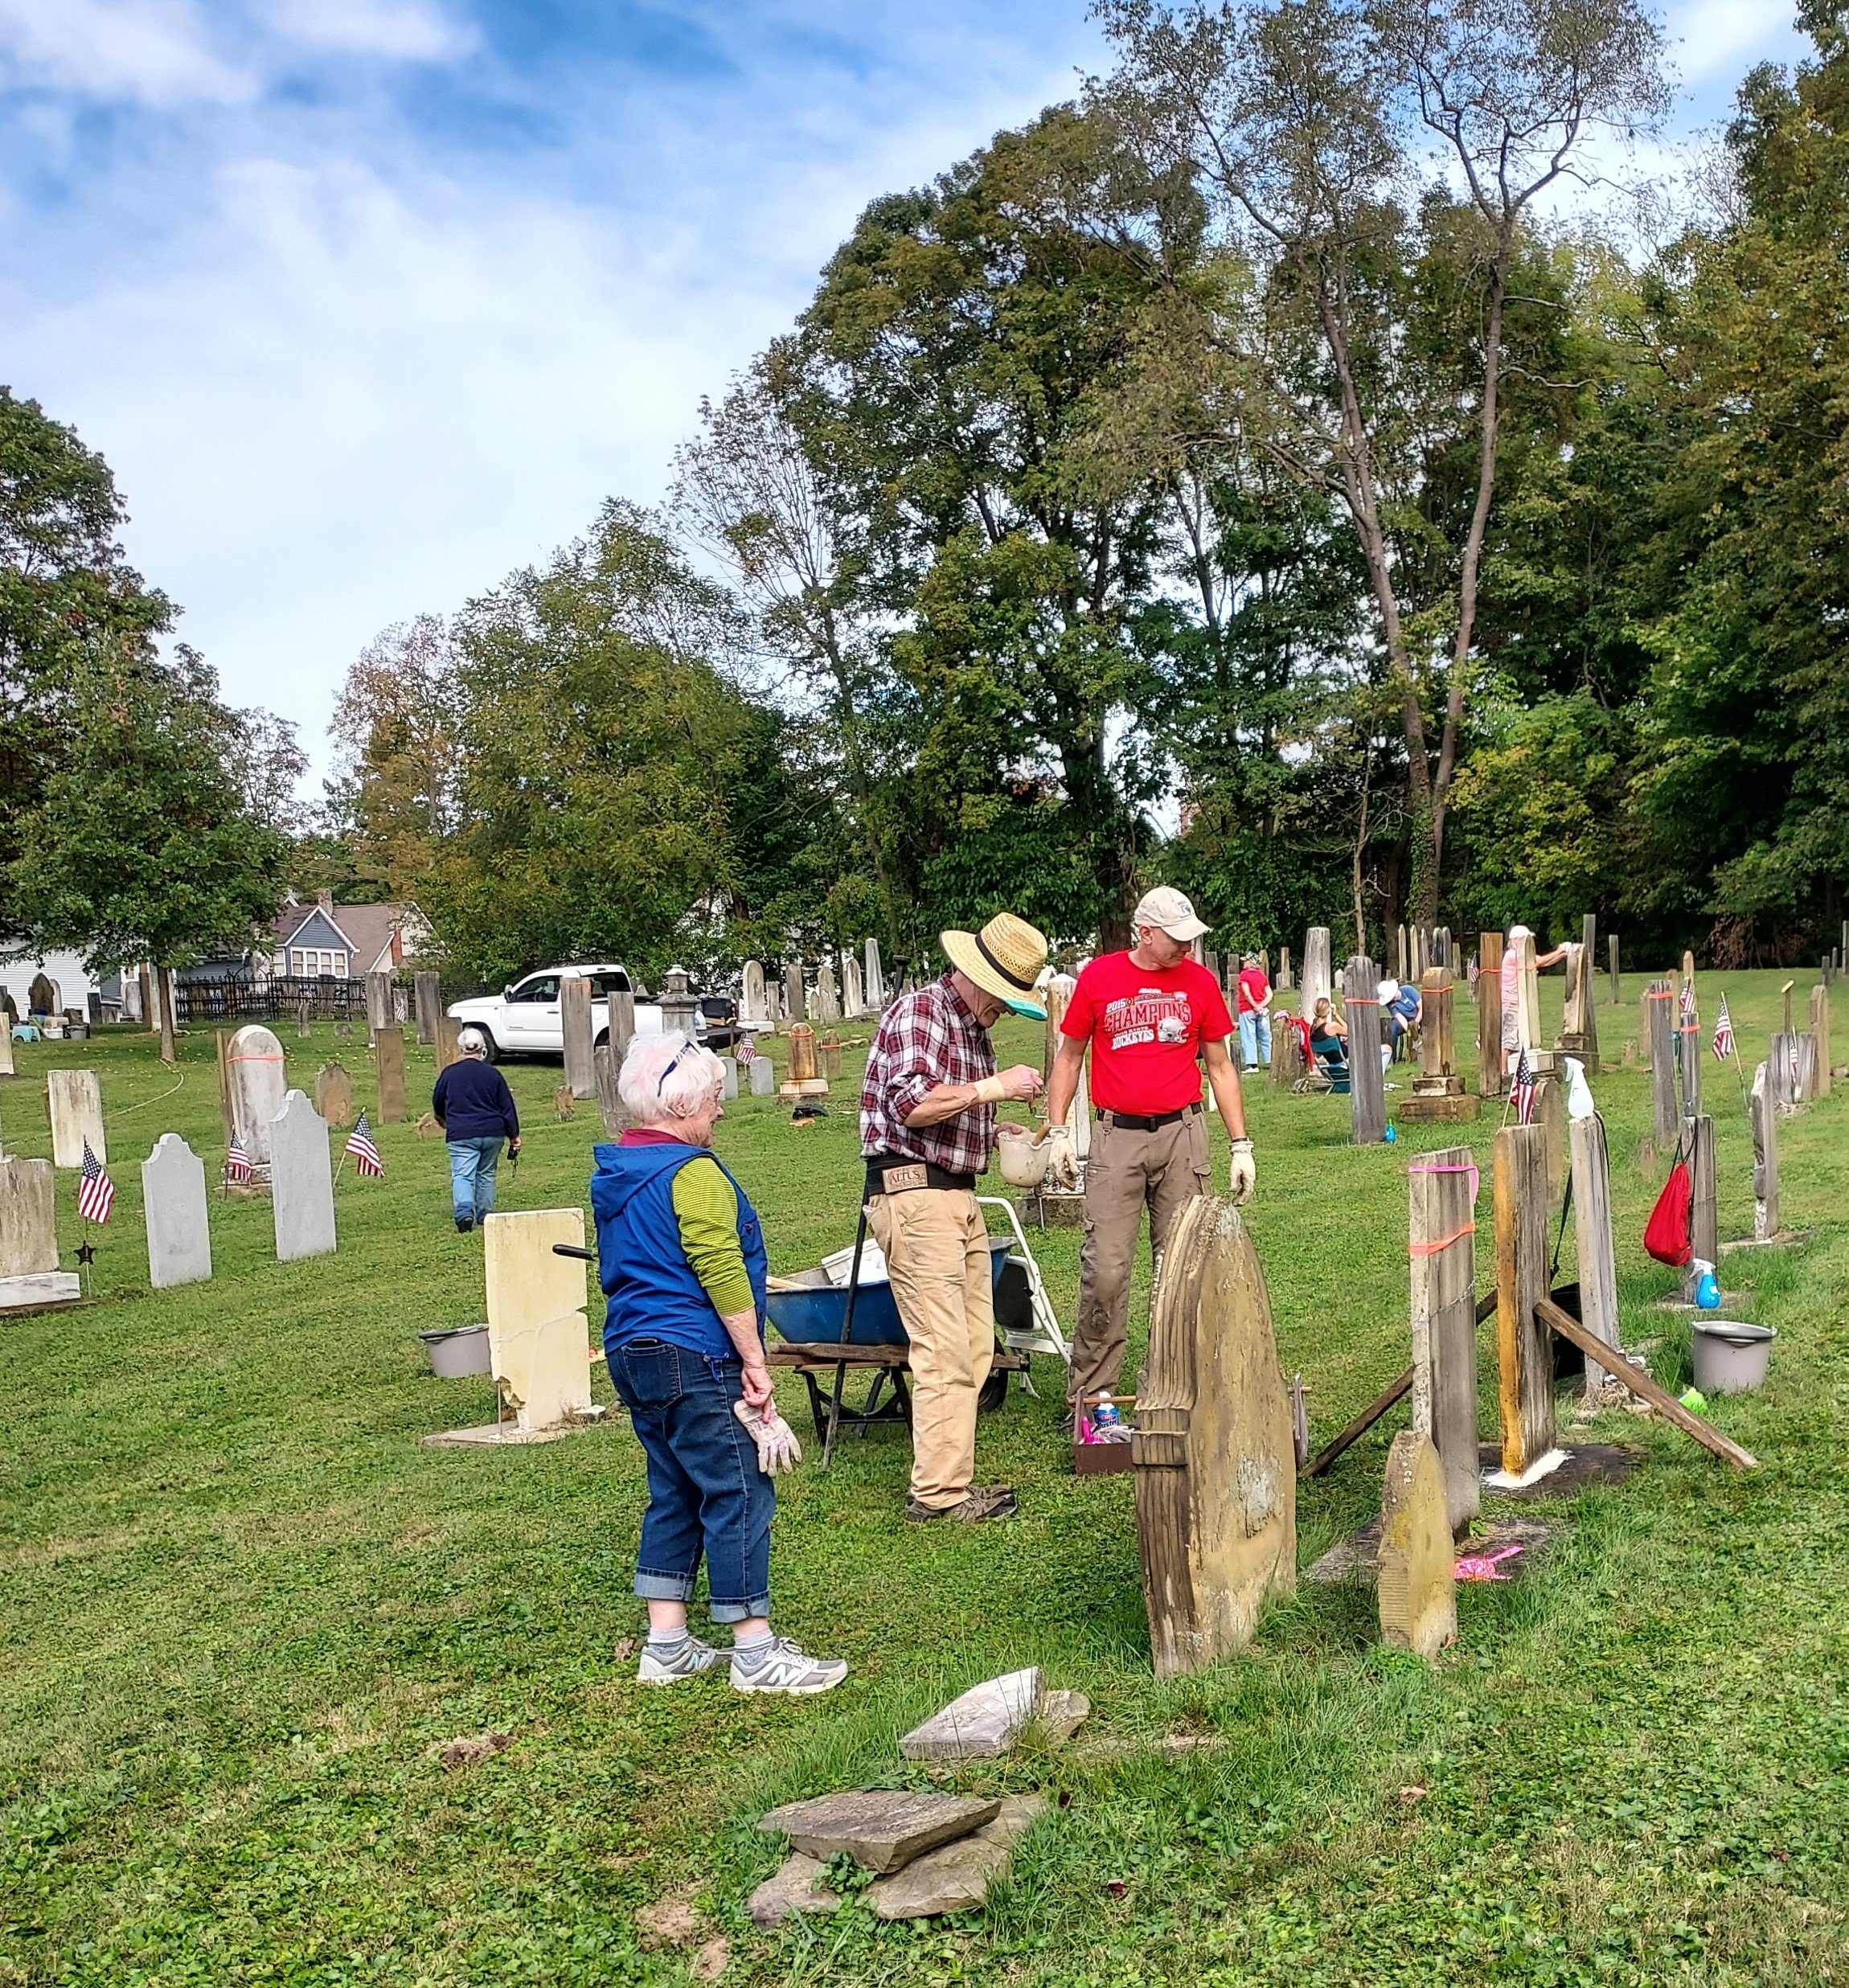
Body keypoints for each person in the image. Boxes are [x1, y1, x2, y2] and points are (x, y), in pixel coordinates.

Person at [591, 1031, 847, 1694]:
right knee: (738, 1486)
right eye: (711, 1098)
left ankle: (667, 1643)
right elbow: (721, 1271)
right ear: (678, 1106)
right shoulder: (692, 1173)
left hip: (632, 1349)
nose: (720, 1111)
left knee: (673, 1486)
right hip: (694, 1349)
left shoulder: (618, 1168)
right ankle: (754, 1650)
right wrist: (755, 1359)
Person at [859, 912, 1048, 1523]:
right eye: (1007, 1000)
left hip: (955, 1194)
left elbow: (949, 1110)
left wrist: (993, 1131)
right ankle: (938, 1497)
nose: (1006, 1013)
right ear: (980, 979)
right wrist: (994, 1088)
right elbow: (912, 1102)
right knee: (941, 1347)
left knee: (971, 1345)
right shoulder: (924, 1011)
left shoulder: (971, 1029)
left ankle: (951, 1479)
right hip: (915, 1196)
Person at [1043, 887, 1256, 1431]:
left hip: (1183, 1134)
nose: (1186, 947)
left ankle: (1179, 1386)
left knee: (1186, 1266)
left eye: (1191, 937)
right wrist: (1059, 1130)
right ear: (1145, 933)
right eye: (1176, 938)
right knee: (1107, 1270)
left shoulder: (1200, 983)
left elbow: (1221, 1066)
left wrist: (1240, 1144)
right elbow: (1069, 1058)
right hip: (1117, 1137)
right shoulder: (1099, 978)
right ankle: (1093, 1398)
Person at [431, 1027, 520, 1232]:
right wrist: (513, 1135)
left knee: (463, 1174)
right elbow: (506, 1106)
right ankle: (485, 1215)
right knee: (487, 1173)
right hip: (492, 1132)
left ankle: (464, 1212)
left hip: (461, 1132)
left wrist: (444, 1119)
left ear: (461, 1049)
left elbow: (437, 1101)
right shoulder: (493, 1074)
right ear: (483, 1049)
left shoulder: (449, 1074)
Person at [1500, 925, 1568, 1072]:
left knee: (1516, 1038)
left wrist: (1562, 955)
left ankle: (1510, 1070)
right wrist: (1559, 950)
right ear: (1515, 941)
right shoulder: (1513, 955)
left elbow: (1540, 962)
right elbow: (1540, 961)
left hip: (1516, 1001)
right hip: (1511, 1002)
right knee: (1510, 1040)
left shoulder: (1518, 955)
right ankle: (1503, 1072)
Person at [1236, 953, 1273, 1070]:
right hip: (1262, 1011)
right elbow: (1270, 994)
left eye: (1246, 961)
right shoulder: (1262, 976)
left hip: (1247, 1009)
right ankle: (1269, 1060)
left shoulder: (1244, 975)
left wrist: (1255, 1006)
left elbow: (1247, 993)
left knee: (1249, 1036)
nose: (1244, 963)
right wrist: (1261, 1006)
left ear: (1251, 962)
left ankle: (1252, 1065)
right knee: (1265, 1036)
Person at [1380, 977, 1423, 1063]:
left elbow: (1422, 1006)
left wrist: (1416, 1022)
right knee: (1393, 1028)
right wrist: (1410, 1030)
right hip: (1406, 1021)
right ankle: (1392, 1058)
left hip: (1420, 1017)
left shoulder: (1408, 990)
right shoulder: (1391, 1005)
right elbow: (1400, 1018)